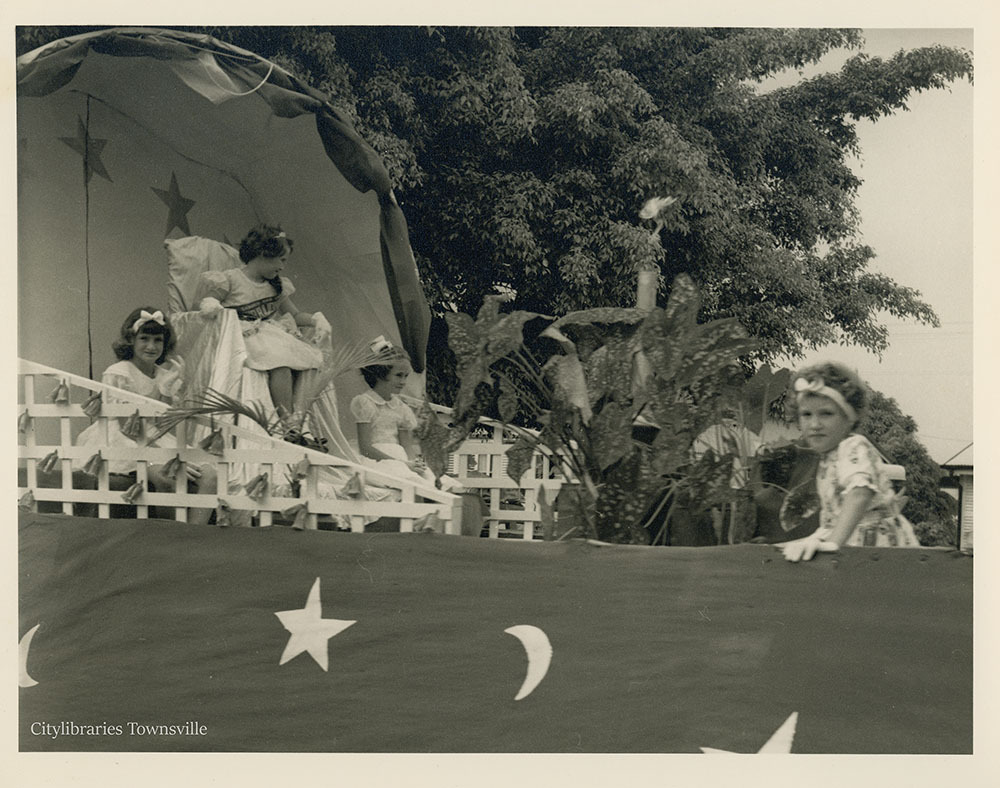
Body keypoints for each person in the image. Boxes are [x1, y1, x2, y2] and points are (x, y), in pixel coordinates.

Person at [77, 307, 218, 524]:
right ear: (131, 340)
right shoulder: (120, 372)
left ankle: (193, 534)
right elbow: (127, 428)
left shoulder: (163, 375)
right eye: (144, 339)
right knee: (168, 478)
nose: (151, 346)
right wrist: (161, 456)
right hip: (124, 441)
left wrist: (168, 391)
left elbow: (164, 425)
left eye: (158, 340)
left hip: (154, 437)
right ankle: (170, 538)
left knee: (210, 475)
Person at [777, 361, 918, 562]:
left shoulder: (852, 446)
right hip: (848, 536)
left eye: (826, 414)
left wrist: (832, 543)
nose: (815, 424)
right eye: (806, 415)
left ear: (849, 418)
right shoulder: (828, 458)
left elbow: (860, 493)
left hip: (875, 543)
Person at [196, 224, 330, 424]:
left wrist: (315, 320)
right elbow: (208, 300)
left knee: (311, 362)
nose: (283, 267)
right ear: (263, 253)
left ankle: (301, 419)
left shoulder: (275, 285)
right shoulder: (231, 279)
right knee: (280, 364)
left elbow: (295, 314)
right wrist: (212, 305)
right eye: (282, 259)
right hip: (245, 336)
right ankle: (286, 419)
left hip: (270, 334)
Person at [350, 347, 462, 491]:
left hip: (401, 459)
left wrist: (413, 463)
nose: (403, 381)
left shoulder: (401, 408)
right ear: (380, 374)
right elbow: (365, 448)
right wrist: (401, 463)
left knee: (437, 481)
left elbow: (406, 446)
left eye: (406, 376)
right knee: (411, 481)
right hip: (377, 460)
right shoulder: (365, 403)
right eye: (398, 375)